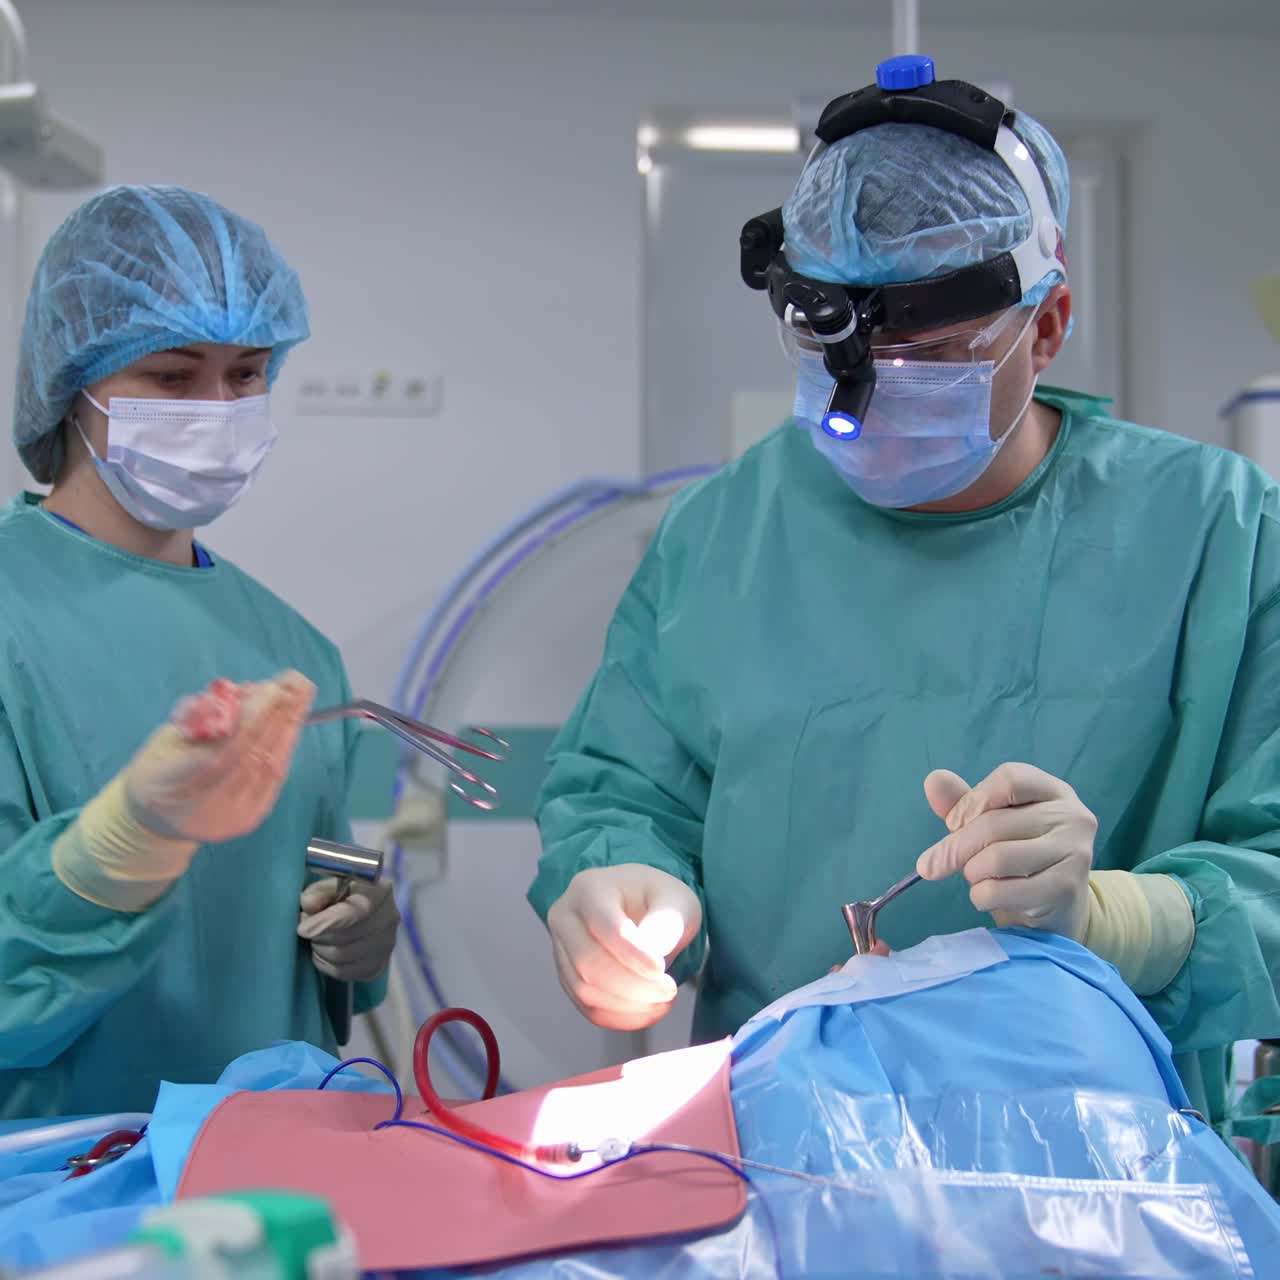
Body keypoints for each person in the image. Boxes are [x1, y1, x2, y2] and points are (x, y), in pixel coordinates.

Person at [530, 62, 1280, 1136]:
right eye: (837, 348)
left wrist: (1124, 915)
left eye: (926, 352)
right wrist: (621, 886)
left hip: (1103, 1167)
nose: (867, 388)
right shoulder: (721, 535)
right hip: (776, 1150)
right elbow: (619, 790)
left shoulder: (1219, 530)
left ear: (1048, 321)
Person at [0, 185, 399, 1119]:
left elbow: (319, 878)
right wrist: (120, 844)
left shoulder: (296, 648)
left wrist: (357, 940)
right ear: (73, 382)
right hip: (57, 1173)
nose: (217, 408)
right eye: (173, 379)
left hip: (279, 1166)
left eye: (247, 374)